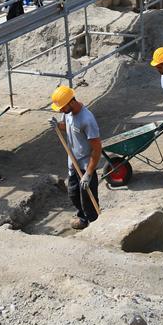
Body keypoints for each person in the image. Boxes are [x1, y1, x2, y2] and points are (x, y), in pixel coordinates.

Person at [51, 85, 102, 230]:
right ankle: (82, 218)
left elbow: (97, 149)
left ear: (71, 102)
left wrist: (89, 173)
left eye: (62, 107)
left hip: (86, 165)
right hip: (73, 162)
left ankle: (95, 224)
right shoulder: (67, 113)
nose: (60, 110)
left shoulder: (87, 119)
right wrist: (57, 125)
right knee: (73, 193)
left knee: (88, 198)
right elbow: (67, 127)